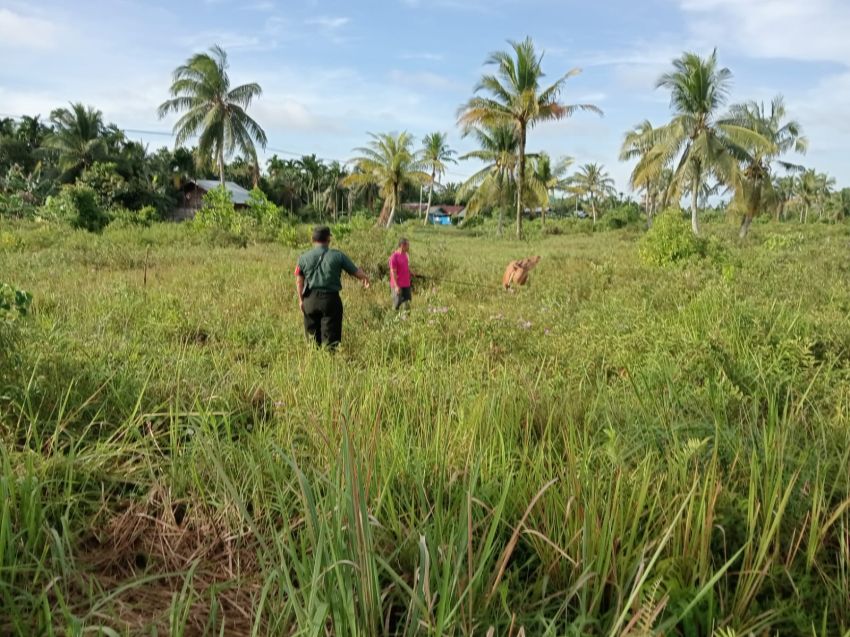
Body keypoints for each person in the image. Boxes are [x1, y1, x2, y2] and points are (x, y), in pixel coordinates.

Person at [295, 225, 370, 348]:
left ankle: (313, 364)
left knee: (312, 341)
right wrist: (365, 278)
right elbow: (356, 272)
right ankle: (329, 363)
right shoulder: (338, 256)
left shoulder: (303, 258)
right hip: (330, 301)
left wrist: (300, 300)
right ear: (328, 239)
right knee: (331, 342)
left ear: (313, 239)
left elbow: (299, 281)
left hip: (309, 300)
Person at [389, 237, 415, 311]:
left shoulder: (405, 255)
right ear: (402, 245)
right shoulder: (394, 257)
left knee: (407, 304)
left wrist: (411, 272)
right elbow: (393, 272)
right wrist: (396, 286)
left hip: (406, 284)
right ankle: (393, 318)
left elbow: (406, 267)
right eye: (407, 245)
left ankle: (405, 320)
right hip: (397, 285)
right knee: (396, 304)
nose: (408, 247)